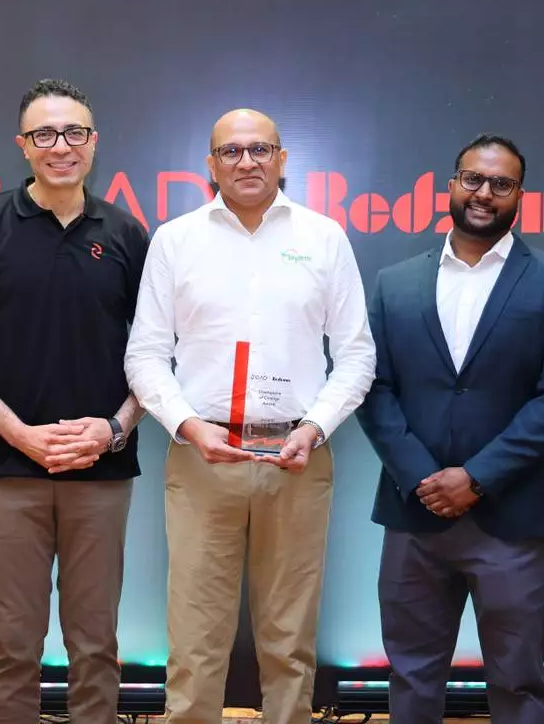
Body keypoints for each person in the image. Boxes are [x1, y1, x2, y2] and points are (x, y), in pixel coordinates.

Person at [124, 108, 375, 724]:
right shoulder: (176, 240)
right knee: (195, 638)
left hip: (297, 457)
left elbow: (356, 355)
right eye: (231, 151)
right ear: (210, 165)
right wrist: (188, 425)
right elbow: (145, 355)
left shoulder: (324, 238)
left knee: (290, 638)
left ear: (282, 159)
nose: (246, 162)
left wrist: (314, 428)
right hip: (202, 458)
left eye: (260, 149)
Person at [0, 79, 149, 724]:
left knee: (96, 643)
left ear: (93, 142)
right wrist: (19, 433)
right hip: (7, 468)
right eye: (44, 134)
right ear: (23, 145)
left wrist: (115, 428)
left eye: (74, 132)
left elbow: (160, 352)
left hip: (100, 467)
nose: (61, 146)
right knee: (13, 644)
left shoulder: (127, 232)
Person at [356, 134, 544, 723]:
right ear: (451, 185)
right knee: (411, 676)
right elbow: (373, 387)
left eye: (501, 184)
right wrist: (421, 476)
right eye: (473, 179)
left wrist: (477, 477)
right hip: (415, 512)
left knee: (518, 681)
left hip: (512, 514)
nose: (484, 193)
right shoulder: (394, 282)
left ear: (520, 196)